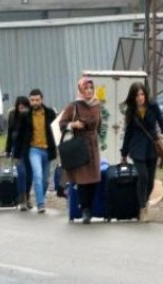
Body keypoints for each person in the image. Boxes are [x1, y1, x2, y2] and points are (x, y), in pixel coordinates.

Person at [120, 82, 163, 222]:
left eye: (142, 94)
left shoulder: (153, 106)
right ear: (133, 97)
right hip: (137, 148)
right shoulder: (131, 110)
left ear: (145, 95)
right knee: (143, 176)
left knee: (151, 181)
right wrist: (124, 153)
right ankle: (142, 208)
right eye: (136, 95)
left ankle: (143, 203)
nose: (140, 98)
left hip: (152, 146)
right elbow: (128, 132)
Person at [59, 78, 102, 224]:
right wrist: (73, 124)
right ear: (81, 90)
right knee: (83, 180)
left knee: (94, 179)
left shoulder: (97, 105)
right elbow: (62, 124)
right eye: (86, 88)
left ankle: (88, 206)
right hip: (80, 146)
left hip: (93, 146)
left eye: (91, 87)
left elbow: (99, 126)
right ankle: (85, 210)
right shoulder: (74, 105)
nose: (89, 90)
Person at [14, 89, 57, 214]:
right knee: (37, 175)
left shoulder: (50, 113)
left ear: (42, 99)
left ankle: (40, 198)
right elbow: (20, 137)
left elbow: (56, 132)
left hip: (47, 150)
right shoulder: (25, 116)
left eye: (37, 100)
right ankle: (40, 204)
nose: (35, 102)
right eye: (32, 100)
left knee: (45, 180)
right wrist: (17, 155)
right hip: (33, 150)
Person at [5, 96, 33, 211]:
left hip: (30, 149)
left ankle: (27, 195)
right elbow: (10, 133)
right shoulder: (13, 116)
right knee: (21, 173)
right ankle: (22, 199)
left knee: (30, 175)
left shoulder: (31, 117)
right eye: (20, 108)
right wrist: (7, 149)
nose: (23, 110)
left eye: (25, 108)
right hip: (17, 149)